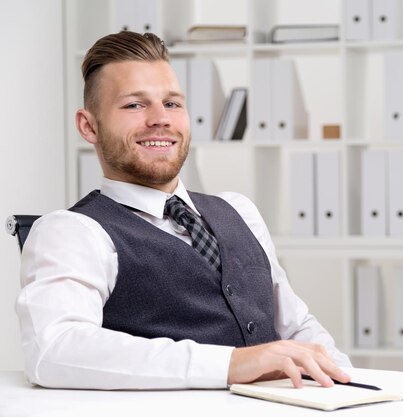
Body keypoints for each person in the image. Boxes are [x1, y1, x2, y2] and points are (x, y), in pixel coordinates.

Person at [15, 31, 352, 390]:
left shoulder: (238, 210)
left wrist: (348, 381)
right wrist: (231, 364)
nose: (160, 119)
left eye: (172, 104)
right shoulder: (72, 231)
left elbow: (296, 326)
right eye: (134, 105)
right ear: (89, 126)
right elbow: (54, 350)